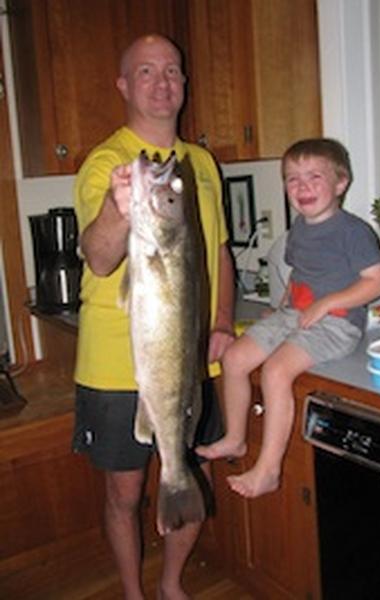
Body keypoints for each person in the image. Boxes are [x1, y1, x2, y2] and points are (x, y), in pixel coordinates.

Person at [72, 34, 235, 600]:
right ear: (123, 85)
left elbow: (217, 252)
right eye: (146, 71)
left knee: (190, 472)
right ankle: (132, 594)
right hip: (117, 365)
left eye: (172, 70)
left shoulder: (203, 164)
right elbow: (97, 256)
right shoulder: (106, 163)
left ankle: (170, 585)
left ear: (184, 85)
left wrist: (220, 322)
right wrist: (121, 209)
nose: (163, 81)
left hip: (189, 359)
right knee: (124, 493)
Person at [196, 138, 380, 498]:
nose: (302, 187)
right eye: (292, 179)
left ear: (341, 183)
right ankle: (236, 439)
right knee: (233, 357)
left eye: (315, 176)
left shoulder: (353, 231)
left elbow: (378, 282)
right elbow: (302, 273)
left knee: (275, 371)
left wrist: (326, 303)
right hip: (295, 313)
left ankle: (268, 470)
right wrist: (283, 304)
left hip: (338, 322)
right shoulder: (299, 228)